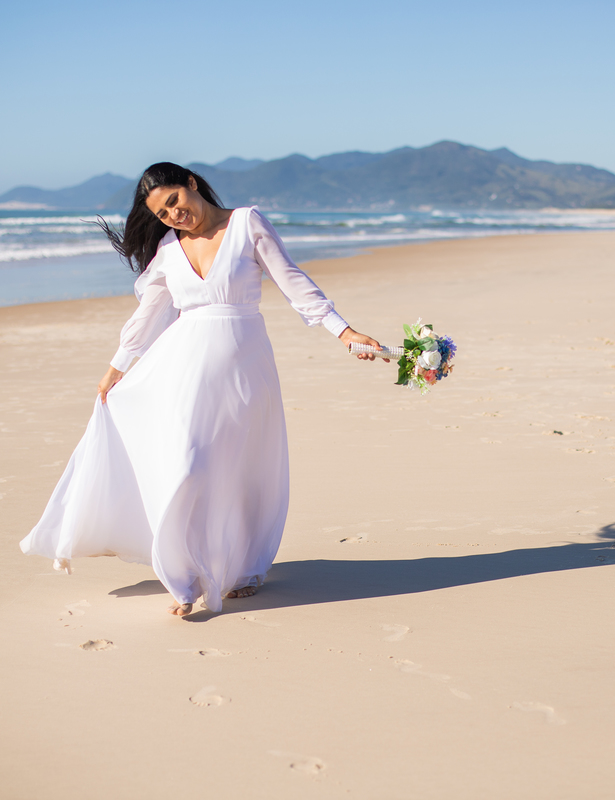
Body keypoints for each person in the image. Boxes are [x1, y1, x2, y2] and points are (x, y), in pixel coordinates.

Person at [20, 162, 385, 616]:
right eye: (162, 214)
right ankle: (184, 575)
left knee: (241, 467)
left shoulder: (246, 223)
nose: (174, 215)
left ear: (191, 184)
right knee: (189, 464)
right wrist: (117, 367)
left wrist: (344, 333)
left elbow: (292, 282)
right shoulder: (170, 251)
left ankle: (247, 567)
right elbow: (149, 313)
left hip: (245, 366)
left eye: (175, 201)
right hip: (185, 369)